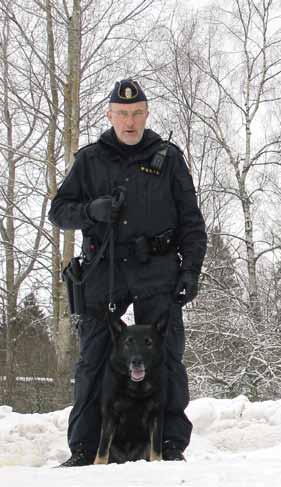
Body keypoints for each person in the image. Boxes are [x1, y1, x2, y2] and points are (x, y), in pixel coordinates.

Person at [49, 79, 207, 466]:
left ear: (147, 113)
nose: (130, 121)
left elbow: (191, 220)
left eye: (137, 113)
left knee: (167, 358)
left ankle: (170, 446)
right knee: (94, 359)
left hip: (157, 269)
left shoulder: (168, 157)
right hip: (104, 271)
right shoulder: (90, 159)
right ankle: (85, 449)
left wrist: (190, 272)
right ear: (109, 114)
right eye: (122, 114)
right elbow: (59, 212)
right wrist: (91, 211)